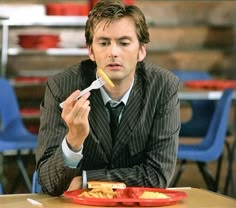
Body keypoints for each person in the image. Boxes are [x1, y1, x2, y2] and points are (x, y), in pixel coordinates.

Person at [36, 0, 181, 196]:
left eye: (124, 43)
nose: (113, 52)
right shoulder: (62, 87)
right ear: (91, 51)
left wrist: (87, 180)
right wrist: (73, 140)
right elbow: (48, 183)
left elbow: (157, 176)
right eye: (104, 43)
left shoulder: (163, 87)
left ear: (141, 51)